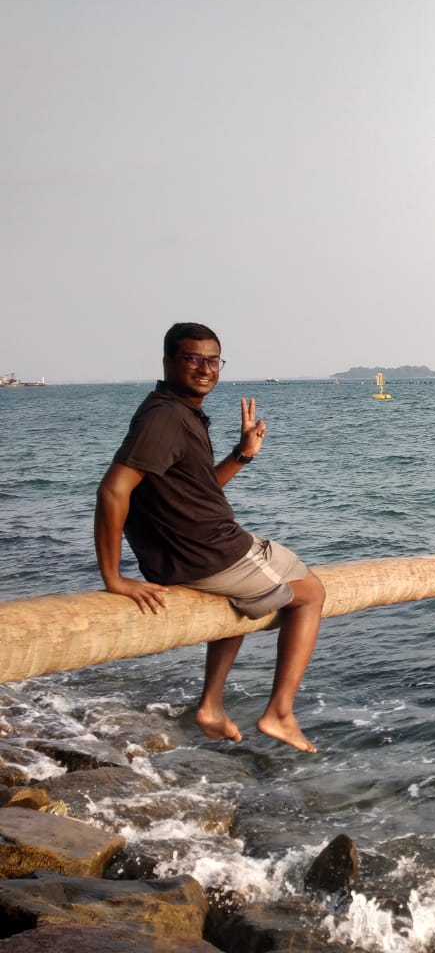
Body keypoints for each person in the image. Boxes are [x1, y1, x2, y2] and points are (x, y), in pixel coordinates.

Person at [94, 322, 325, 753]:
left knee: (235, 600)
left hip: (189, 556)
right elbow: (113, 489)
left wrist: (242, 454)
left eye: (213, 360)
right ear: (168, 361)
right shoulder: (165, 417)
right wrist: (114, 579)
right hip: (209, 553)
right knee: (310, 591)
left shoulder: (176, 411)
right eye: (192, 358)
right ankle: (279, 712)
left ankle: (211, 706)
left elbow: (199, 491)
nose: (205, 369)